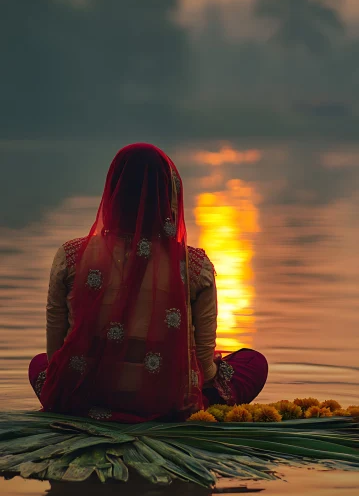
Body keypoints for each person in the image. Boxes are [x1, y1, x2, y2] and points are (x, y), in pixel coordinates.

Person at [29, 143, 267, 422]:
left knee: (39, 364)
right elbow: (204, 366)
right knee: (253, 363)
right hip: (166, 405)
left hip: (82, 399)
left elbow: (56, 352)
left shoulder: (70, 257)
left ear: (113, 191)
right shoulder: (194, 266)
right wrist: (209, 368)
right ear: (168, 194)